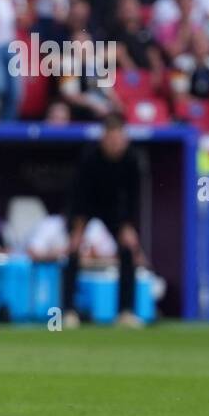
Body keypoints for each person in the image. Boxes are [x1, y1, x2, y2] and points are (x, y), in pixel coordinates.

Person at [61, 113, 145, 329]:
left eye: (120, 140)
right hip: (87, 206)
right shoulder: (89, 157)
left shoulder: (133, 159)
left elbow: (134, 196)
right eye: (112, 140)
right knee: (73, 251)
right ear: (104, 139)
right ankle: (68, 312)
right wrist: (77, 230)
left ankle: (126, 312)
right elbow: (79, 193)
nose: (116, 145)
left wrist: (128, 226)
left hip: (115, 210)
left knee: (128, 250)